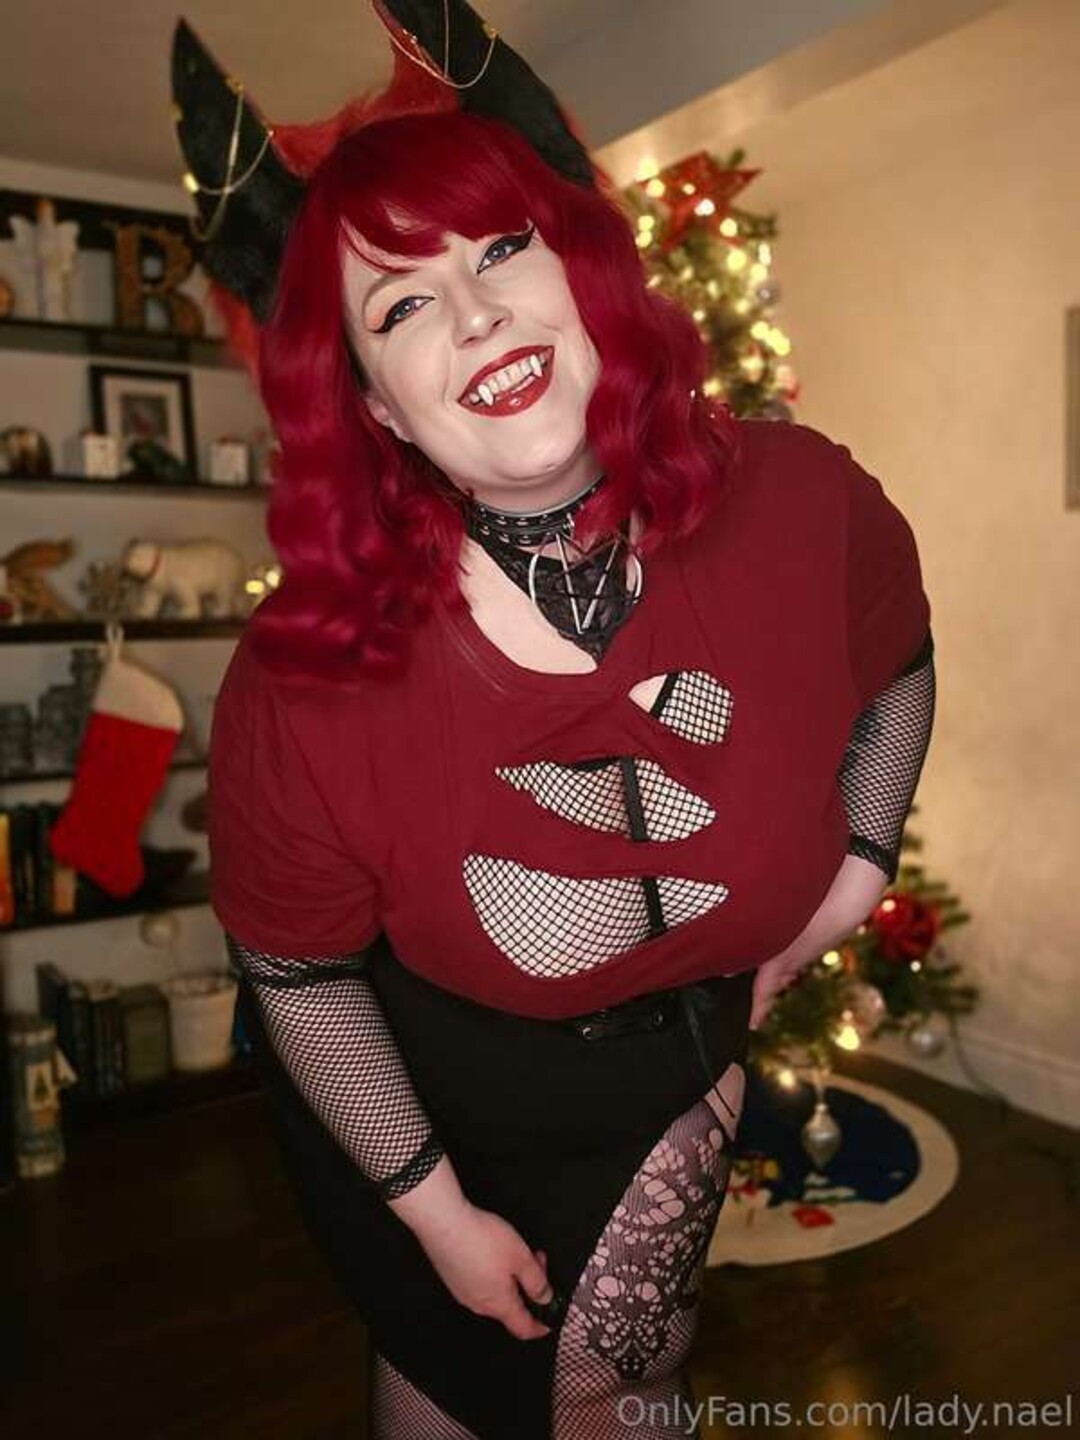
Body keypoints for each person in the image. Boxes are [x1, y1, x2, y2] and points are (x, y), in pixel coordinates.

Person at [175, 5, 936, 1436]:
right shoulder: (304, 674)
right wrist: (436, 1213)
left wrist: (857, 867)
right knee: (446, 1382)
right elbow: (297, 970)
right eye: (401, 307)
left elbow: (897, 661)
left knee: (618, 1385)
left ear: (583, 272)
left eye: (499, 249)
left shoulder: (799, 503)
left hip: (672, 1072)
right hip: (412, 1106)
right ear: (376, 409)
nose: (472, 316)